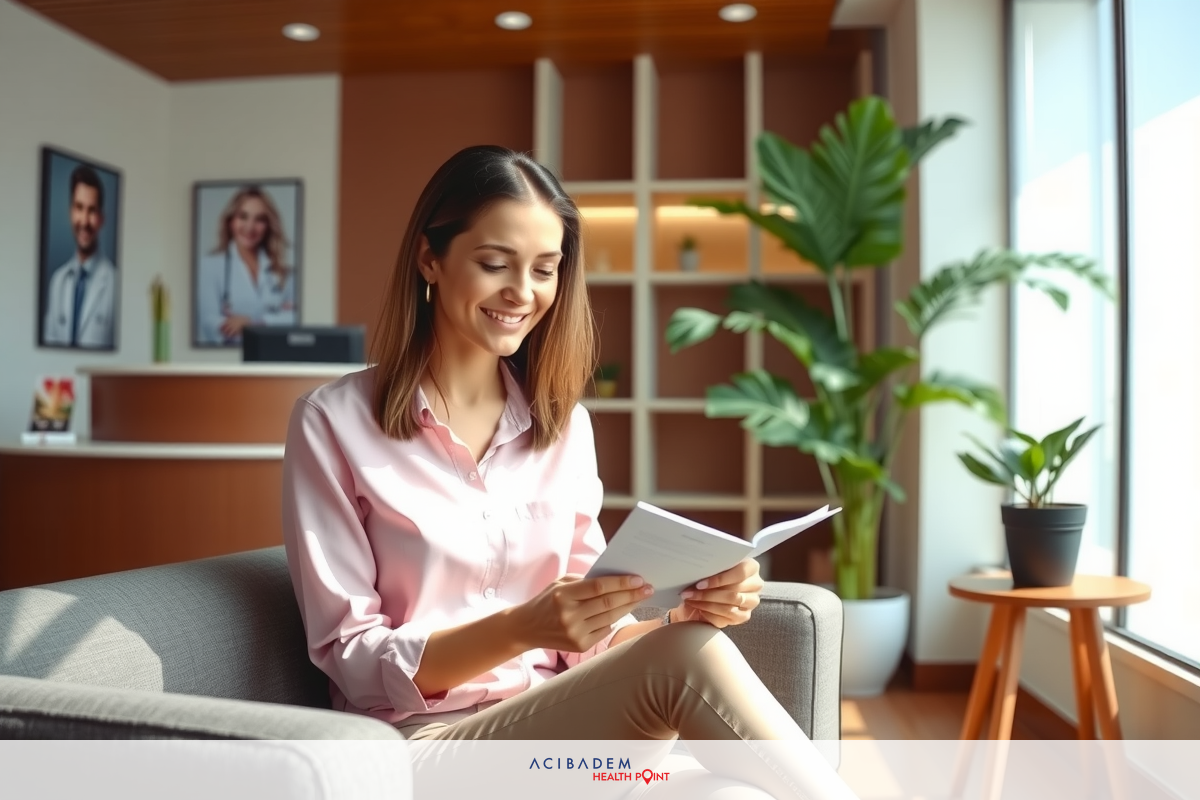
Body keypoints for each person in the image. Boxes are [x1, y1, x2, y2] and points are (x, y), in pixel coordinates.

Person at [281, 146, 857, 800]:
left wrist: (684, 615)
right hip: (417, 749)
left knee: (732, 791)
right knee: (685, 661)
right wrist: (521, 627)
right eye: (494, 263)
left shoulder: (563, 429)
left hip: (552, 736)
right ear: (429, 259)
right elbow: (354, 661)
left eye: (545, 270)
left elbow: (590, 644)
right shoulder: (332, 424)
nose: (521, 294)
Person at [195, 185, 296, 345]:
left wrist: (253, 323)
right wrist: (271, 325)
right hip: (230, 363)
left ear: (268, 225)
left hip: (276, 362)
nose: (250, 227)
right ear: (231, 221)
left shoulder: (285, 274)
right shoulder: (209, 267)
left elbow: (295, 320)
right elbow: (210, 324)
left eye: (260, 219)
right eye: (243, 216)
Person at [43, 165, 117, 348]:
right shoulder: (58, 281)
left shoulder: (115, 283)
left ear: (101, 219)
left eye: (92, 210)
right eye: (79, 207)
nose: (84, 221)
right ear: (71, 212)